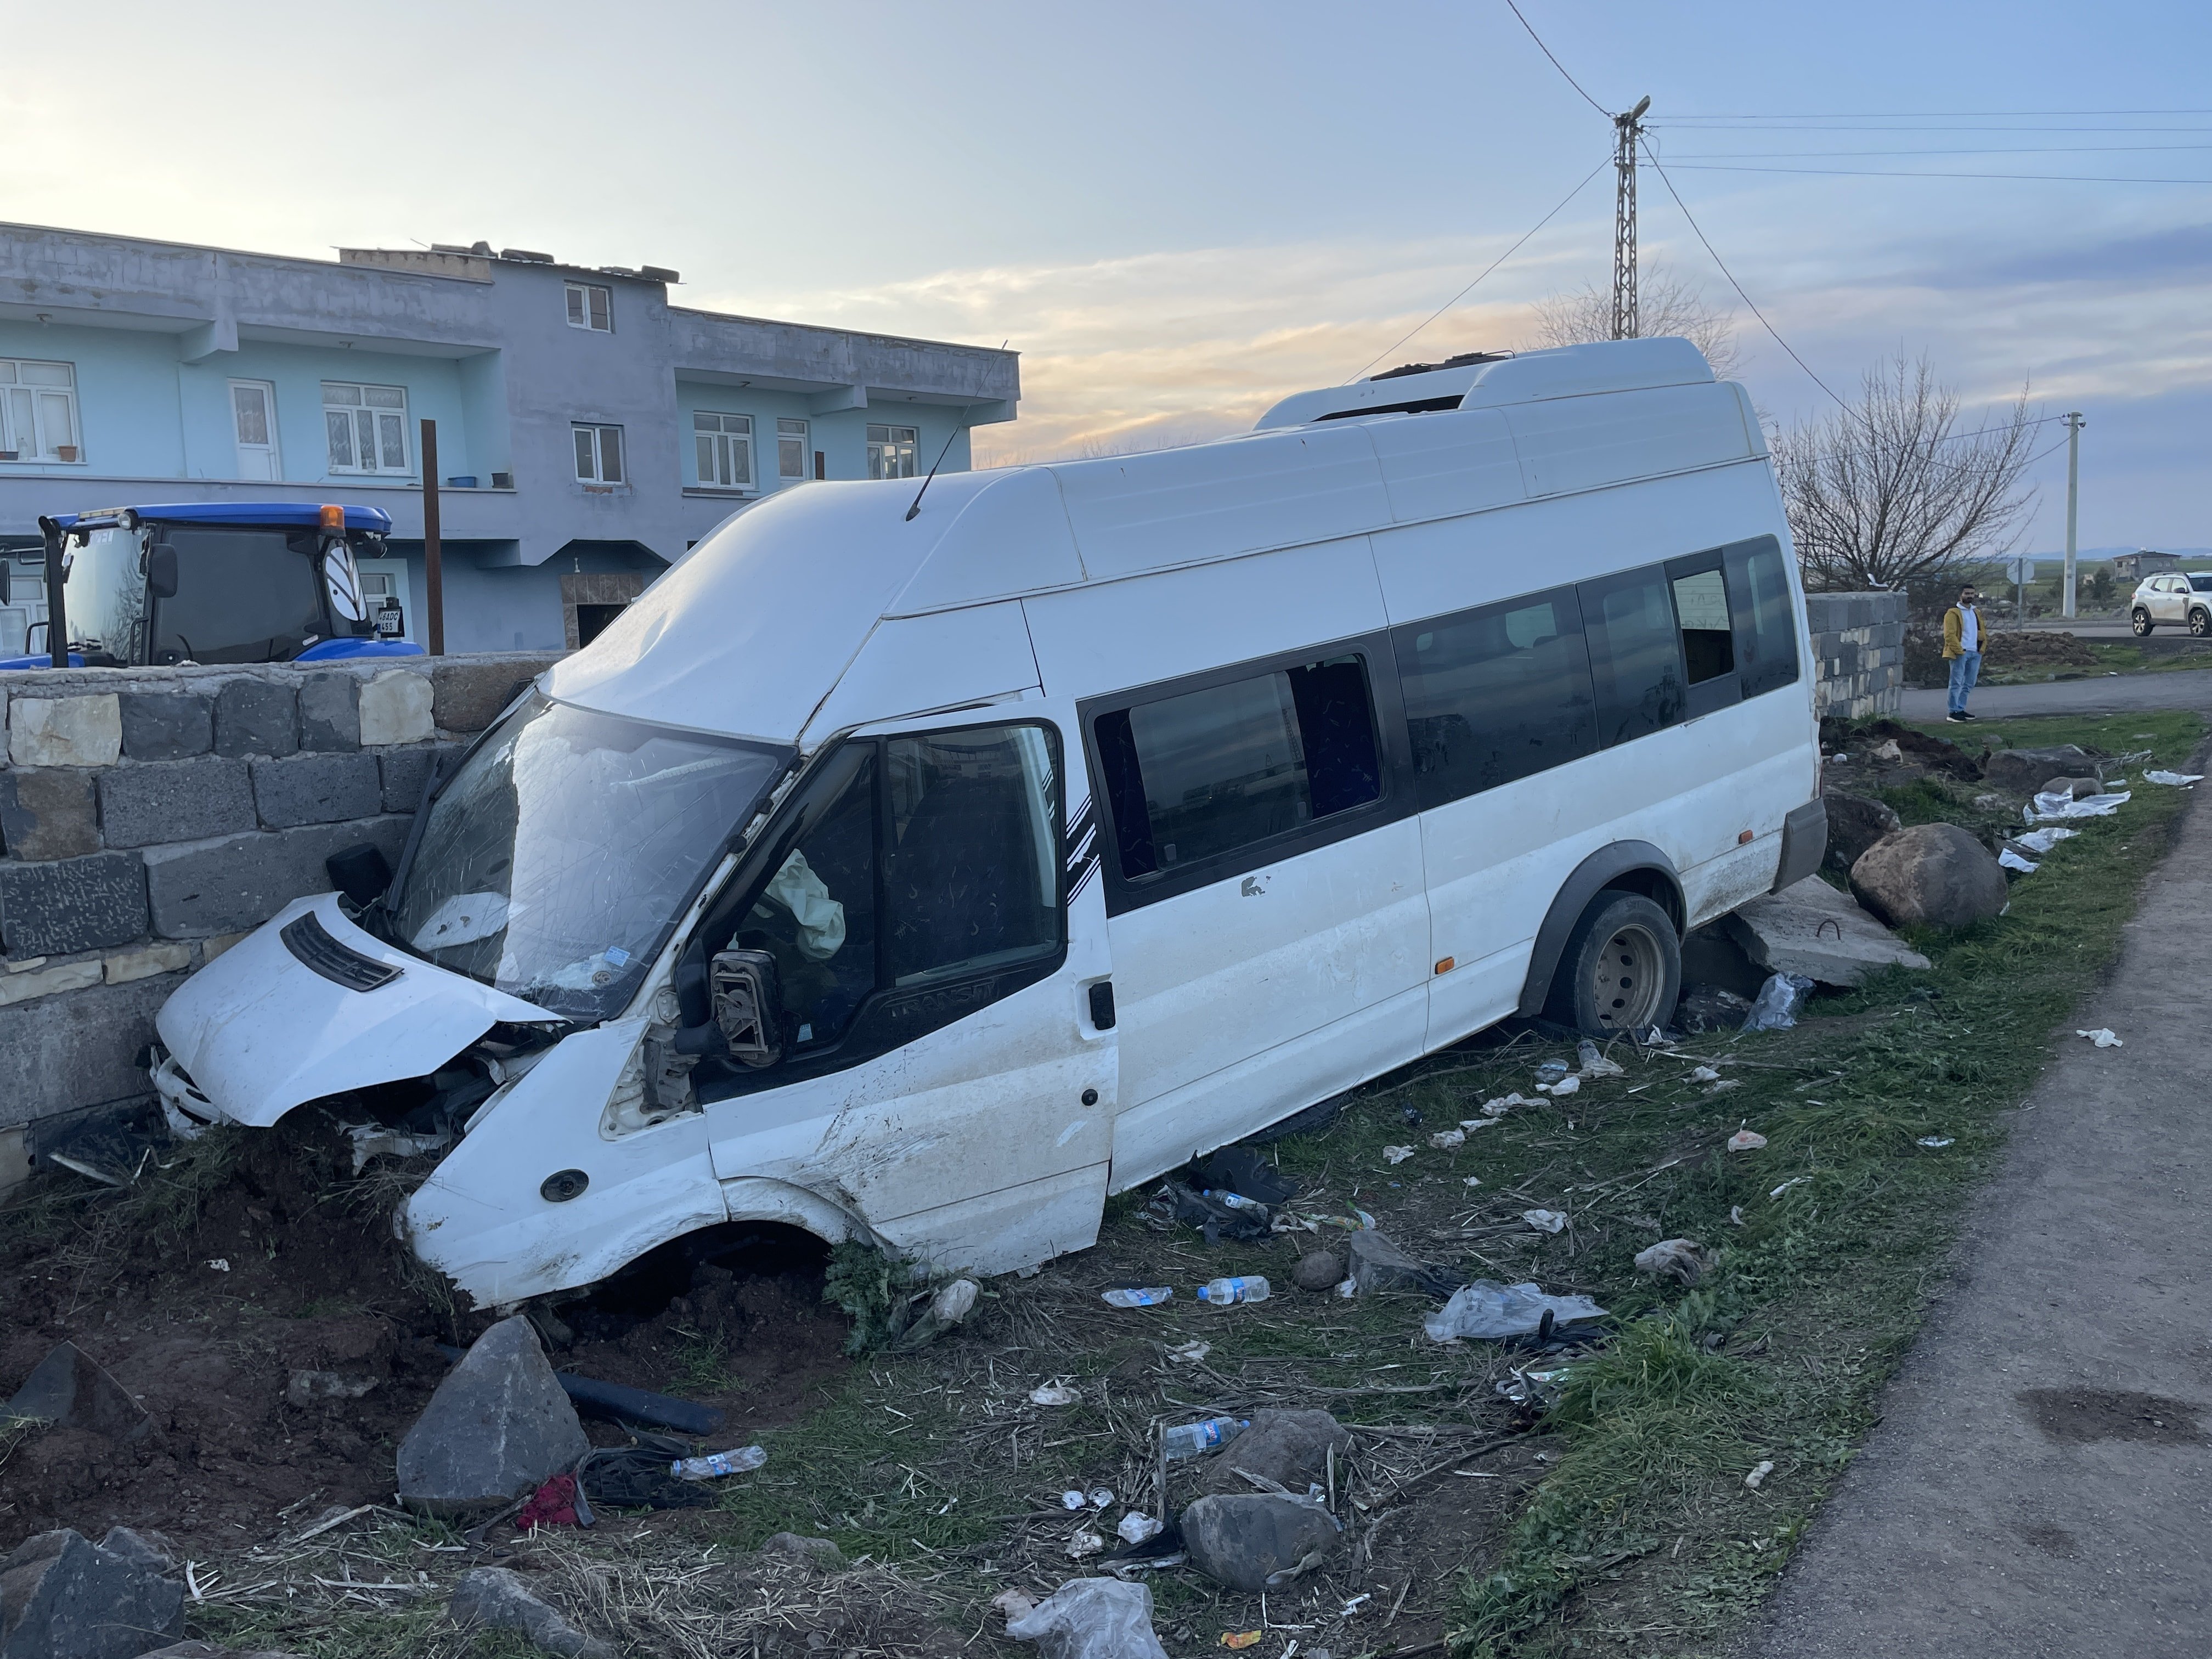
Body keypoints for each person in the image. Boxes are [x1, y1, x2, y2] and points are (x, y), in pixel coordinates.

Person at [1942, 584, 1984, 723]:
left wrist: (1982, 645)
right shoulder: (1953, 613)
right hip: (1961, 652)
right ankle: (1953, 712)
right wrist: (1959, 650)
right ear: (1961, 595)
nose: (1970, 596)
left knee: (1969, 683)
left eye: (1972, 594)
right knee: (1956, 683)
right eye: (1967, 593)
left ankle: (1960, 709)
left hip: (1975, 652)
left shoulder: (1976, 612)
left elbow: (1981, 630)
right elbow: (1949, 635)